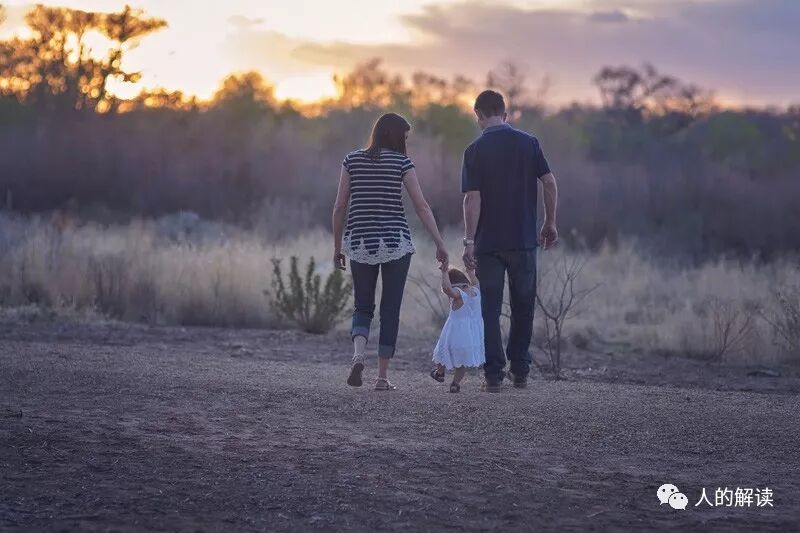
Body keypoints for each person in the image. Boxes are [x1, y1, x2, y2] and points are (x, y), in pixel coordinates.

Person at [332, 112, 449, 391]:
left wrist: (337, 247)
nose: (406, 142)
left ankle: (359, 356)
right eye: (405, 137)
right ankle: (382, 378)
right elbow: (421, 206)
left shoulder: (352, 160)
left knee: (362, 305)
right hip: (395, 242)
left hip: (360, 242)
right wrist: (439, 242)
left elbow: (339, 207)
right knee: (390, 310)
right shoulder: (402, 163)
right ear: (396, 136)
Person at [461, 90, 559, 392]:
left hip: (489, 243)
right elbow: (550, 182)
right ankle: (520, 371)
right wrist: (549, 221)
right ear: (505, 113)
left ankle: (493, 375)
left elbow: (471, 199)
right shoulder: (529, 143)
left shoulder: (474, 150)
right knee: (523, 306)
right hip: (524, 240)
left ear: (478, 114)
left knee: (489, 309)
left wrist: (469, 241)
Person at [430, 265, 485, 393]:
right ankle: (455, 384)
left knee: (443, 353)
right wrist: (470, 272)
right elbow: (475, 281)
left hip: (454, 334)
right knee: (462, 362)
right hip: (471, 336)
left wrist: (444, 272)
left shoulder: (458, 294)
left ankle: (440, 373)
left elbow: (447, 288)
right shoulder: (476, 291)